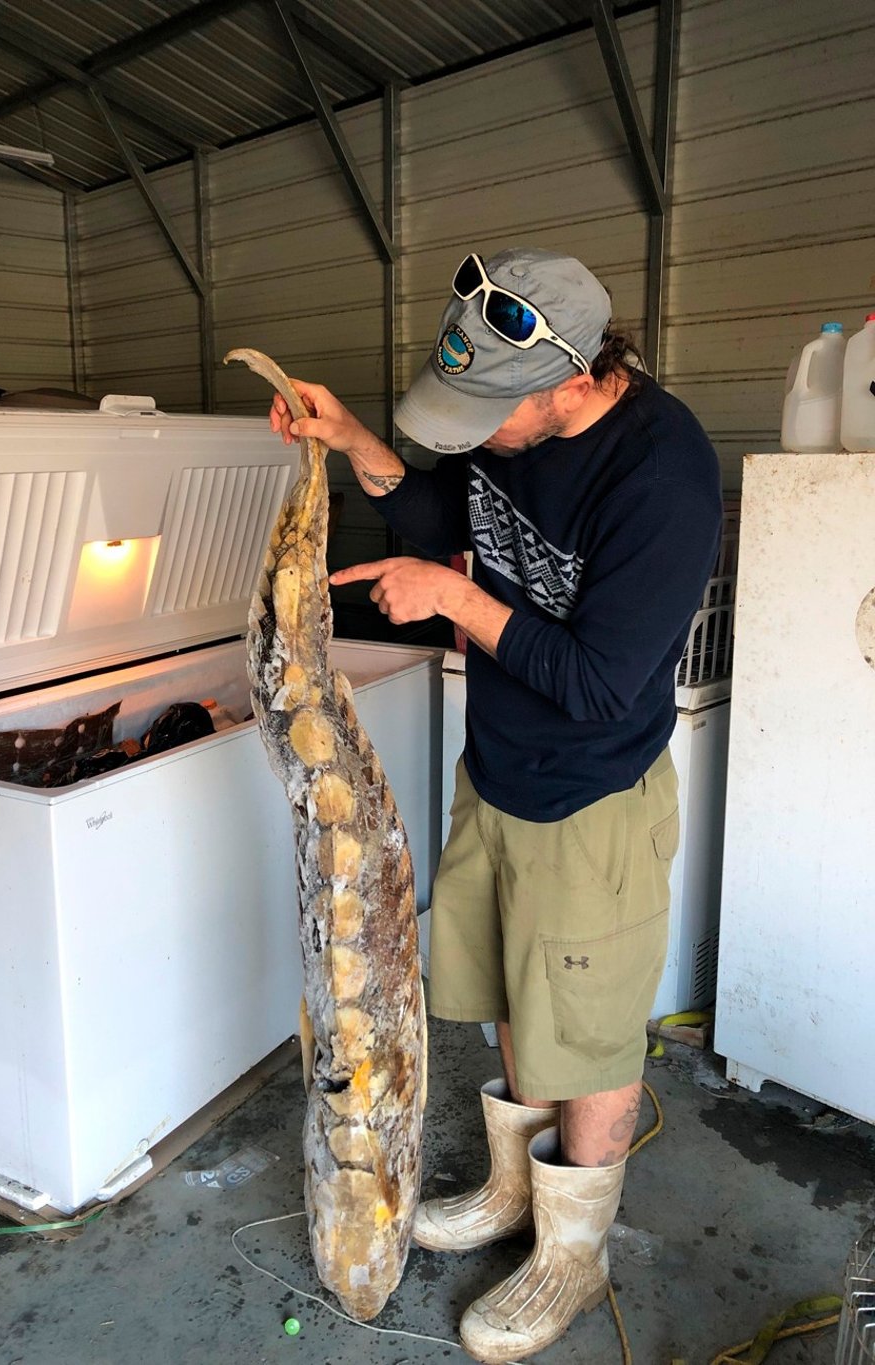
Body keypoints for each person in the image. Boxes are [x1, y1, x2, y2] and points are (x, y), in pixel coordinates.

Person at [269, 247, 722, 1362]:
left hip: (592, 800)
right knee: (508, 993)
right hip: (500, 774)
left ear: (570, 382)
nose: (468, 434)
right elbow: (436, 506)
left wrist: (454, 597)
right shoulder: (517, 433)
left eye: (487, 413)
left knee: (592, 1030)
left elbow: (603, 681)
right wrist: (356, 444)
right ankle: (515, 1194)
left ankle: (573, 1255)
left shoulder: (662, 475)